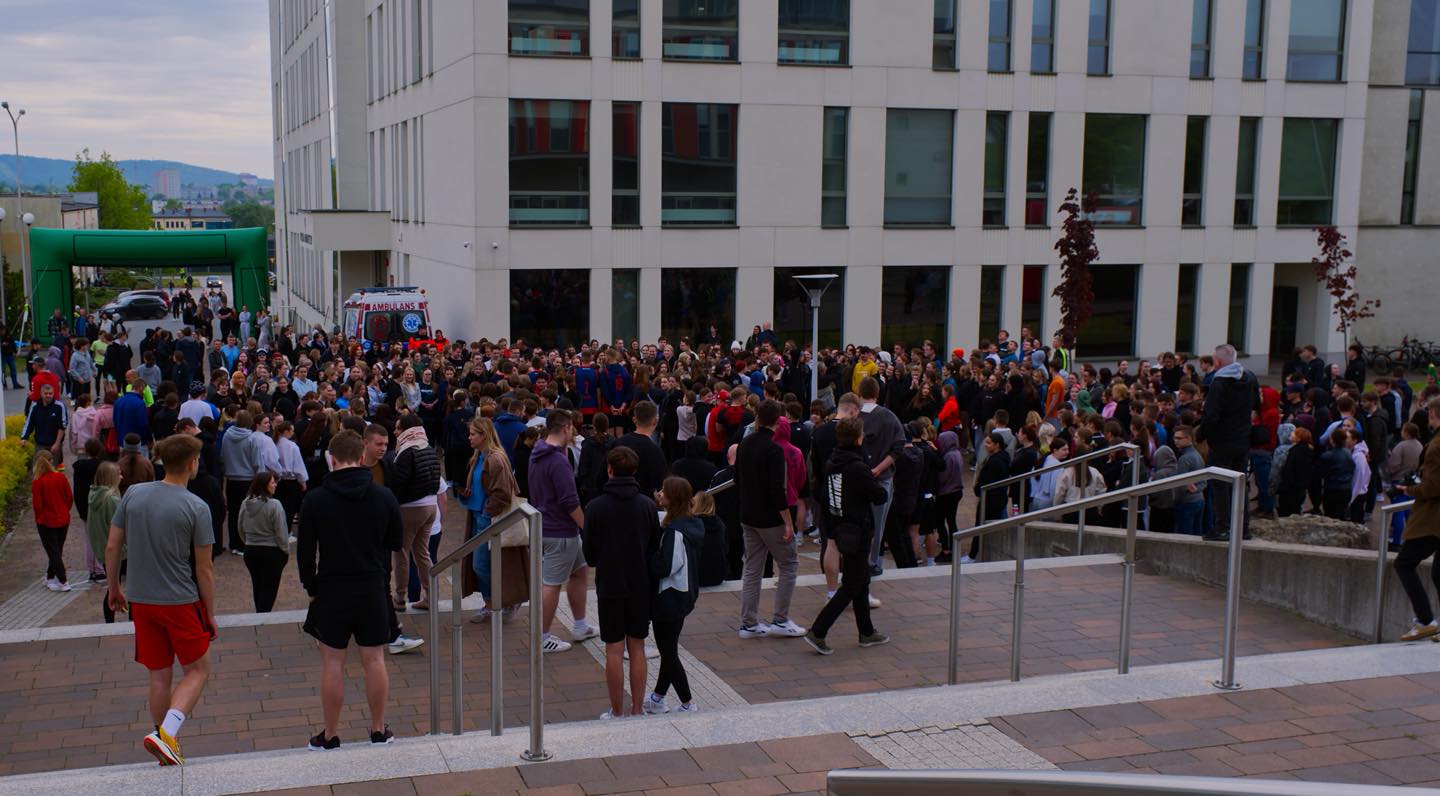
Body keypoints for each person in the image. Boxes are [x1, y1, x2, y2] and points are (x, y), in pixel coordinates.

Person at [104, 434, 216, 767]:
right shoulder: (197, 507)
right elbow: (204, 568)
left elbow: (112, 546)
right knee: (198, 669)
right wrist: (210, 612)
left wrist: (114, 588)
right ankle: (167, 734)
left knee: (159, 674)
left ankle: (163, 739)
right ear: (192, 464)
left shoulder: (134, 494)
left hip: (140, 599)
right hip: (180, 600)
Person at [298, 430, 402, 750]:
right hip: (371, 585)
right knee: (375, 659)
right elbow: (395, 542)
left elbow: (305, 553)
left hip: (332, 587)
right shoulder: (384, 496)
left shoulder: (315, 499)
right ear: (361, 457)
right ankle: (378, 729)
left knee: (332, 662)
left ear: (331, 459)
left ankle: (330, 734)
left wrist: (312, 587)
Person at [583, 446, 661, 719]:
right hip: (640, 583)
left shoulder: (595, 507)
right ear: (635, 471)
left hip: (610, 582)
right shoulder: (647, 505)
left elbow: (590, 555)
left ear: (609, 470)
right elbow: (654, 547)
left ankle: (617, 711)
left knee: (614, 649)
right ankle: (637, 708)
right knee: (637, 646)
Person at [804, 416, 889, 656]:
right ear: (858, 439)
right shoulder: (857, 467)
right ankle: (818, 631)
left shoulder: (834, 461)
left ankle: (866, 631)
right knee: (852, 583)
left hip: (842, 526)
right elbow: (879, 495)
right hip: (858, 528)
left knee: (861, 579)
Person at [735, 399, 805, 639]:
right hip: (770, 518)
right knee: (789, 564)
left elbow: (738, 479)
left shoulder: (745, 443)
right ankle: (780, 619)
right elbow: (778, 490)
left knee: (752, 568)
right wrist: (788, 522)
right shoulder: (773, 450)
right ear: (778, 421)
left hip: (748, 514)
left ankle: (749, 622)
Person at [530, 410, 598, 652]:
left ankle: (580, 625)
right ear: (567, 427)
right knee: (552, 583)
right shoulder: (557, 460)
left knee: (580, 571)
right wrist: (587, 527)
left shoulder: (539, 452)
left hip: (550, 525)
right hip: (560, 529)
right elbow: (570, 501)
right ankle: (541, 637)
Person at [642, 476, 704, 715]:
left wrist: (647, 556)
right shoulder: (690, 524)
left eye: (663, 491)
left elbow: (664, 567)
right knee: (669, 649)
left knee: (668, 652)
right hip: (682, 594)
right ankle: (658, 698)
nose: (659, 493)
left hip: (669, 596)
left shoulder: (674, 532)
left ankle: (687, 702)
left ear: (673, 498)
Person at [459, 416, 524, 623]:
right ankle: (491, 603)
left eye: (473, 434)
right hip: (478, 515)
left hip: (487, 518)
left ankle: (503, 600)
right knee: (483, 565)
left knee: (481, 565)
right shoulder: (479, 456)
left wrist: (487, 513)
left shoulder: (495, 458)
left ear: (484, 435)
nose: (469, 437)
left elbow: (503, 493)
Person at [1197, 344, 1258, 541]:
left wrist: (1201, 434)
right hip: (1243, 439)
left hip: (1222, 441)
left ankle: (1222, 527)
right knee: (1241, 483)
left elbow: (1212, 415)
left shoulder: (1219, 382)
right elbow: (1256, 403)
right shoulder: (1249, 377)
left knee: (1220, 484)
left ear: (1217, 362)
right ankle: (1243, 527)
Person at [1394, 398, 1440, 641]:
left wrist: (1409, 489)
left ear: (1432, 413)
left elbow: (1433, 487)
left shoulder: (1436, 446)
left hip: (1433, 518)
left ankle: (1425, 620)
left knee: (1404, 563)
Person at [389, 414, 441, 611]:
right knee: (422, 553)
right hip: (430, 506)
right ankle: (430, 596)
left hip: (410, 507)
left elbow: (399, 482)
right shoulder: (427, 447)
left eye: (398, 428)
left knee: (401, 553)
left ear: (406, 430)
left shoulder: (407, 451)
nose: (395, 432)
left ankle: (400, 598)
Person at [857, 377, 904, 575]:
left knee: (856, 521)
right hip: (882, 478)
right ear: (877, 393)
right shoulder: (889, 417)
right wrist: (878, 469)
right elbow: (899, 447)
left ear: (859, 392)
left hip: (857, 478)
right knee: (878, 524)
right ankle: (872, 562)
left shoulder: (853, 416)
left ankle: (856, 560)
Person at [239, 471, 289, 613]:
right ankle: (262, 618)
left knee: (258, 586)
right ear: (264, 485)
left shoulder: (245, 503)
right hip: (272, 552)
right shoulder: (275, 505)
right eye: (272, 482)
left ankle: (259, 615)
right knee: (269, 590)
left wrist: (248, 542)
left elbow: (240, 527)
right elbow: (281, 531)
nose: (275, 485)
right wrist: (285, 550)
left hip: (251, 551)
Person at [31, 450, 74, 592]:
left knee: (53, 551)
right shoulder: (60, 477)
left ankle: (63, 580)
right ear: (51, 461)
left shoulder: (37, 482)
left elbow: (37, 505)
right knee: (57, 550)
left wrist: (40, 517)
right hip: (63, 518)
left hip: (46, 521)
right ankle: (50, 577)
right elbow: (69, 497)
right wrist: (64, 510)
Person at [88, 461, 124, 622]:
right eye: (118, 474)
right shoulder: (112, 501)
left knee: (112, 586)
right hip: (118, 551)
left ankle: (109, 622)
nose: (121, 477)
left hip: (102, 549)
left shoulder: (94, 496)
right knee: (121, 587)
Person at [22, 383, 67, 467]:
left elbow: (62, 426)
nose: (48, 395)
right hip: (40, 445)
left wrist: (57, 444)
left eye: (50, 393)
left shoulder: (59, 406)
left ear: (53, 393)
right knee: (37, 469)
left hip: (54, 445)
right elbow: (29, 423)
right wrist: (24, 438)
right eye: (46, 393)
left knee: (52, 469)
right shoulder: (35, 407)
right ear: (41, 394)